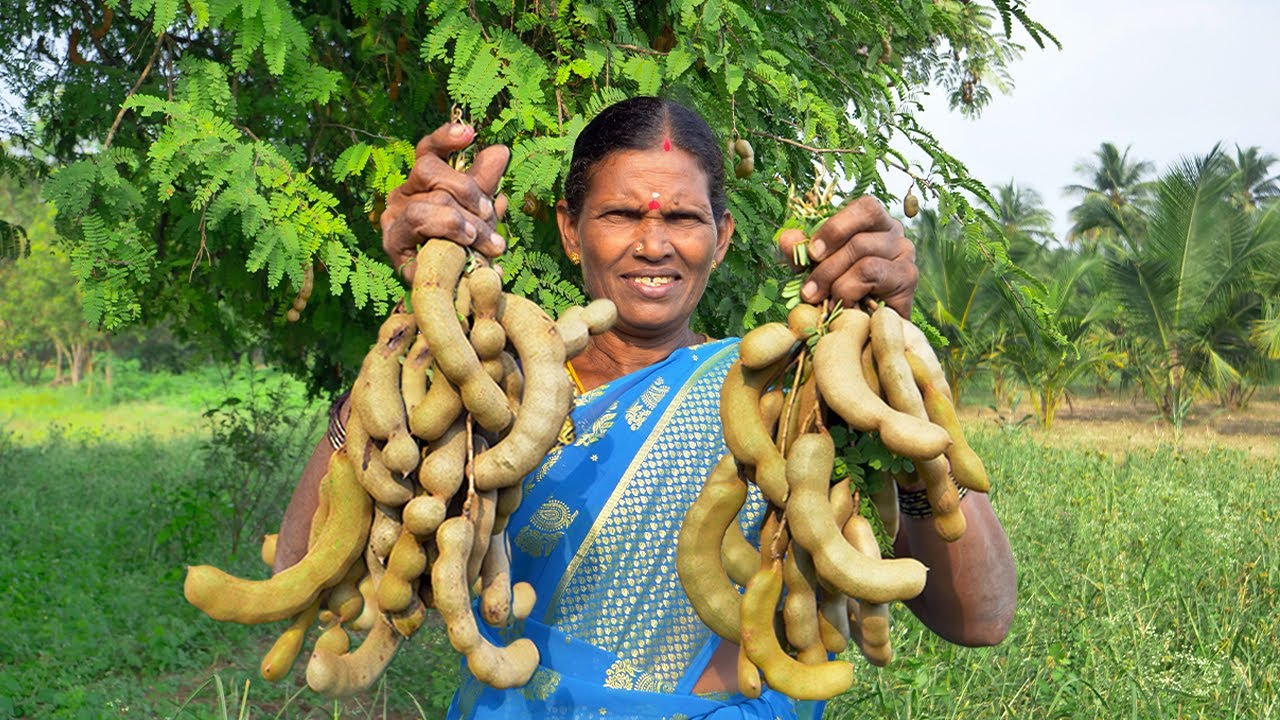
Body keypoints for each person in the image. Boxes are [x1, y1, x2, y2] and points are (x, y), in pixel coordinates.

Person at [275, 97, 1016, 719]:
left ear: (722, 238)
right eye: (622, 214)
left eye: (685, 219)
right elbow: (305, 573)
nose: (654, 243)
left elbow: (979, 620)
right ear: (570, 229)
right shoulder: (491, 396)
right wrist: (412, 340)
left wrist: (892, 370)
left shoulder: (789, 395)